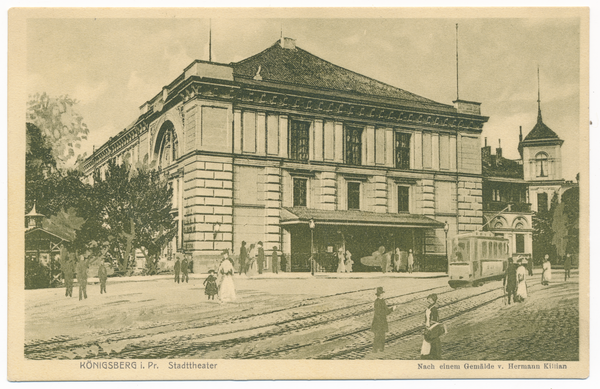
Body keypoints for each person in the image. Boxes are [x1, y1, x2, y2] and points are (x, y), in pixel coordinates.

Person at [371, 287, 395, 352]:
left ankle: (380, 349)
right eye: (382, 293)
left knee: (380, 335)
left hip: (378, 321)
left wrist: (389, 310)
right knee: (379, 335)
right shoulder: (380, 302)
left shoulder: (379, 301)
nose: (383, 294)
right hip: (380, 321)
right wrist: (392, 309)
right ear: (380, 294)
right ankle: (376, 349)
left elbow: (384, 311)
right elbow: (385, 312)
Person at [421, 293, 444, 360]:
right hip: (429, 327)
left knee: (434, 342)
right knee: (430, 341)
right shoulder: (430, 307)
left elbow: (435, 320)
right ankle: (432, 354)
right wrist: (425, 323)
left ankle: (435, 355)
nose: (429, 300)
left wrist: (429, 323)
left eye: (430, 299)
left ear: (434, 300)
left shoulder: (434, 309)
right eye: (428, 299)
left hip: (432, 328)